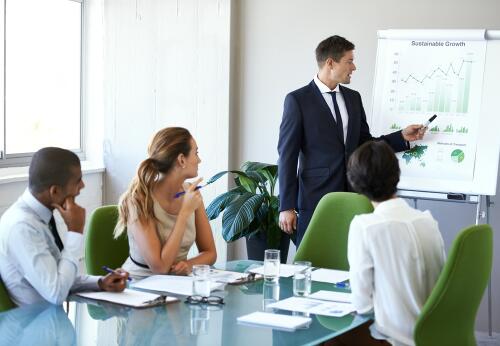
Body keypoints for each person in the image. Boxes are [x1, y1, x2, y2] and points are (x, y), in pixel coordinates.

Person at [277, 35, 426, 246]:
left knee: (353, 262)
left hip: (355, 198)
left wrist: (401, 137)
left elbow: (366, 143)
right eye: (349, 61)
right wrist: (286, 206)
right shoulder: (297, 100)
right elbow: (287, 156)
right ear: (330, 62)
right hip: (315, 200)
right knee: (313, 264)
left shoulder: (353, 98)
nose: (354, 67)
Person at [334, 141, 445, 346]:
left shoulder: (364, 227)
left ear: (355, 182)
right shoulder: (428, 221)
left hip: (395, 339)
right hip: (434, 336)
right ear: (397, 174)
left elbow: (362, 305)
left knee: (331, 340)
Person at [0, 147, 128, 306]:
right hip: (37, 326)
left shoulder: (37, 218)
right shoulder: (22, 228)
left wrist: (100, 282)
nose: (82, 186)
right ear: (54, 191)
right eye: (77, 181)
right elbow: (56, 292)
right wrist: (75, 231)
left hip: (51, 322)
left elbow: (59, 277)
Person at [115, 127, 216, 280]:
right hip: (140, 287)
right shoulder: (138, 199)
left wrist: (188, 265)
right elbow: (160, 268)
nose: (199, 160)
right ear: (182, 160)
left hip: (177, 284)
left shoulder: (192, 194)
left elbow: (210, 253)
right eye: (196, 153)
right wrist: (184, 213)